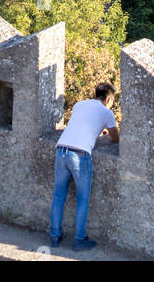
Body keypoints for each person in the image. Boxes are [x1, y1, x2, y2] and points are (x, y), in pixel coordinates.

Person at [49, 82, 119, 251]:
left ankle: (54, 236)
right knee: (82, 198)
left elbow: (83, 124)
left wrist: (97, 129)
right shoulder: (107, 113)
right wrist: (104, 130)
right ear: (109, 99)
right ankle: (79, 239)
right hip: (80, 155)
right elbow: (116, 139)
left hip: (62, 149)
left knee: (58, 195)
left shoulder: (79, 105)